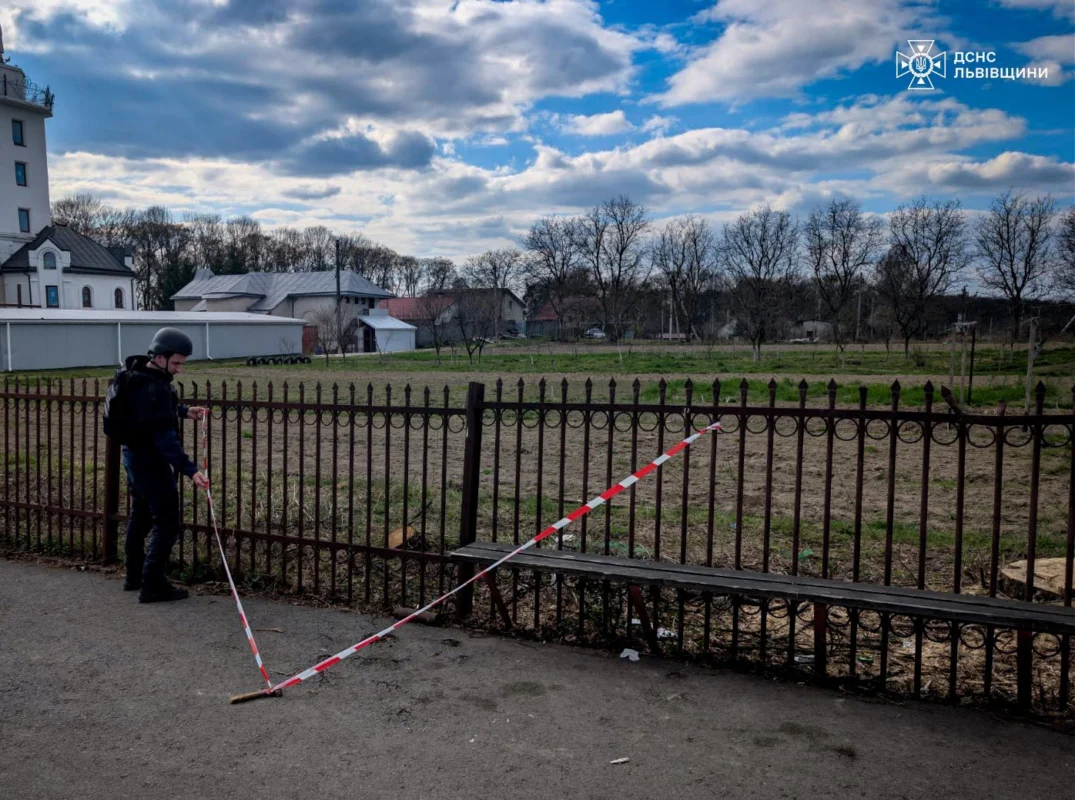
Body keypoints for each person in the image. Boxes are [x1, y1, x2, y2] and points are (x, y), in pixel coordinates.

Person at [114, 328, 210, 603]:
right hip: (150, 462)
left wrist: (183, 411)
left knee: (141, 516)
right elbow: (165, 439)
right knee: (167, 523)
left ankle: (134, 576)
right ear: (159, 356)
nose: (179, 370)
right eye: (177, 363)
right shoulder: (153, 386)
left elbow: (149, 411)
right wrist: (191, 470)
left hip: (132, 457)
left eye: (183, 363)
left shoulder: (136, 375)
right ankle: (153, 585)